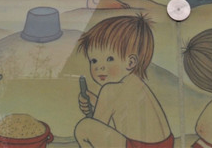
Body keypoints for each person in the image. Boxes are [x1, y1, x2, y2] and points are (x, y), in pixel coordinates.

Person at [74, 15, 173, 148]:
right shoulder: (136, 83)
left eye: (109, 59)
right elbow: (119, 105)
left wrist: (94, 107)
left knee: (84, 128)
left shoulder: (110, 90)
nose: (99, 67)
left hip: (138, 146)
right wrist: (93, 100)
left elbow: (98, 125)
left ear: (131, 62)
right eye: (94, 61)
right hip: (165, 144)